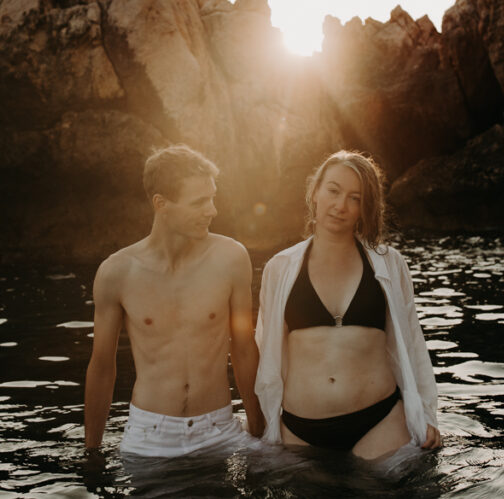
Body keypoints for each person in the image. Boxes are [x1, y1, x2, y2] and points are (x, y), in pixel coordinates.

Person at [255, 150, 441, 460]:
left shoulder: (389, 264)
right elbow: (267, 347)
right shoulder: (281, 267)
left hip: (379, 421)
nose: (340, 206)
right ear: (315, 191)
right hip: (301, 430)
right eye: (333, 191)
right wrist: (262, 422)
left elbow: (412, 341)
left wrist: (428, 415)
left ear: (365, 208)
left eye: (355, 198)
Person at [84, 145, 264, 457]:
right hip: (150, 435)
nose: (212, 210)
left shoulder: (230, 258)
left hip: (219, 430)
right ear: (161, 204)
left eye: (212, 198)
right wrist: (92, 453)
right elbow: (102, 367)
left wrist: (259, 429)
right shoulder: (117, 272)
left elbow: (244, 348)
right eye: (199, 202)